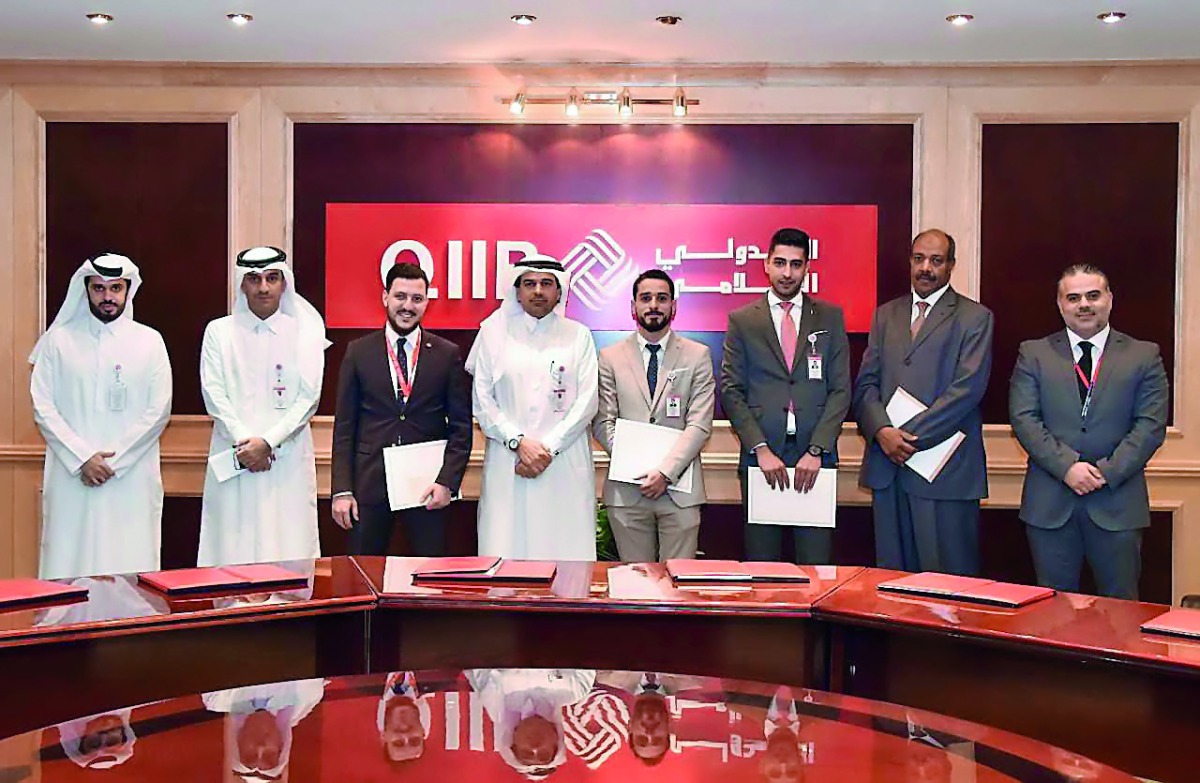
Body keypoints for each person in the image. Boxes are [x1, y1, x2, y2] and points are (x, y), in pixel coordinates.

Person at [1009, 264, 1167, 600]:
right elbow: (1024, 419)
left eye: (1093, 295)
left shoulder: (1144, 355)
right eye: (1074, 297)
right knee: (1051, 615)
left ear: (1109, 299)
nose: (1084, 304)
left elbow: (1150, 426)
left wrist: (1105, 473)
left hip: (1117, 502)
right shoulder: (1033, 354)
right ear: (1060, 304)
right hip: (1050, 504)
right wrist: (1067, 467)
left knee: (1121, 613)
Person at [853, 229, 993, 576]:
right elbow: (866, 383)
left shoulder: (974, 317)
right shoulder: (886, 315)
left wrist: (905, 438)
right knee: (891, 582)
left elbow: (967, 390)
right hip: (890, 469)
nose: (925, 268)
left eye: (936, 260)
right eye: (919, 259)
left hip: (944, 470)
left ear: (951, 266)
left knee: (944, 588)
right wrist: (883, 432)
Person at [30, 253, 172, 579]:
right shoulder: (58, 341)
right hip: (72, 476)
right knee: (68, 565)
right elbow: (42, 405)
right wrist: (83, 458)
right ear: (87, 290)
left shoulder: (150, 341)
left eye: (116, 288)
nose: (108, 297)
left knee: (129, 568)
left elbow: (158, 410)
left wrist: (112, 462)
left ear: (128, 290)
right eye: (99, 288)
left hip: (130, 478)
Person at [720, 228, 851, 564]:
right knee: (763, 568)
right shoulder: (743, 320)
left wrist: (817, 448)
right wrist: (760, 449)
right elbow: (732, 390)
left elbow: (840, 389)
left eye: (796, 264)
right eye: (780, 263)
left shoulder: (830, 317)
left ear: (807, 267)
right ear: (766, 264)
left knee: (816, 566)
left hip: (816, 460)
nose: (787, 273)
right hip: (762, 460)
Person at [331, 262, 472, 555]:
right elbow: (345, 428)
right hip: (368, 487)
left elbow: (462, 428)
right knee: (364, 580)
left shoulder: (447, 354)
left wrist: (447, 482)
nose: (407, 306)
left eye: (416, 299)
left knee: (428, 580)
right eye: (400, 297)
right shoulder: (358, 352)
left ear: (426, 302)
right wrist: (342, 490)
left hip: (426, 488)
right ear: (385, 297)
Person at [198, 246, 326, 566]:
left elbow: (308, 398)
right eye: (254, 279)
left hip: (286, 459)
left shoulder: (306, 331)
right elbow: (213, 393)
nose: (264, 287)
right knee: (231, 546)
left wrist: (267, 443)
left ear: (284, 282)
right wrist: (247, 444)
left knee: (287, 544)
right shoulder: (219, 332)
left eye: (272, 278)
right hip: (235, 454)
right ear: (243, 284)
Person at [467, 256, 599, 560]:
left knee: (566, 561)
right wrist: (518, 442)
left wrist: (546, 449)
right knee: (505, 555)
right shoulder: (493, 334)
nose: (538, 291)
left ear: (559, 291)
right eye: (529, 283)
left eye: (546, 284)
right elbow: (483, 402)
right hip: (507, 463)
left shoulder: (578, 335)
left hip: (562, 466)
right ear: (517, 291)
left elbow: (587, 402)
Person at [594, 269, 715, 562]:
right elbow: (602, 421)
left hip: (680, 491)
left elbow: (699, 424)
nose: (653, 305)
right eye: (645, 298)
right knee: (635, 588)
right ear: (633, 307)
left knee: (677, 589)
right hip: (627, 492)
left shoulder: (697, 355)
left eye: (662, 299)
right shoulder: (610, 357)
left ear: (674, 307)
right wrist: (636, 466)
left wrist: (664, 473)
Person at [202, 678, 326, 783]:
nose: (260, 747)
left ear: (238, 741)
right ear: (281, 746)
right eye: (269, 755)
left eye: (250, 755)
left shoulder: (217, 697)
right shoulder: (307, 697)